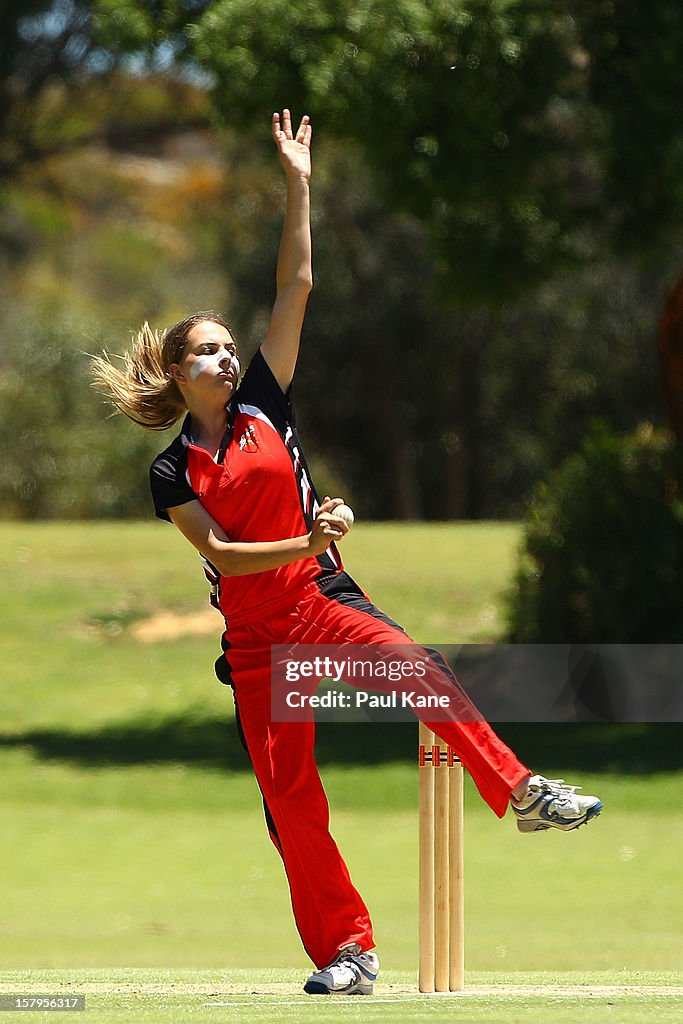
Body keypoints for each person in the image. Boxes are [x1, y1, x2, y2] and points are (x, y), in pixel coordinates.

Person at [92, 109, 603, 997]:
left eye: (224, 345)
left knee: (418, 668)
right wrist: (309, 531)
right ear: (176, 374)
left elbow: (295, 283)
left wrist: (298, 182)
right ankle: (349, 954)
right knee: (293, 807)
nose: (220, 357)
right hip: (257, 642)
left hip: (321, 605)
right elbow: (225, 556)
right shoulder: (172, 470)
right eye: (203, 351)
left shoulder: (264, 404)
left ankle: (521, 792)